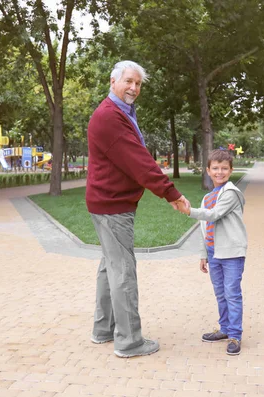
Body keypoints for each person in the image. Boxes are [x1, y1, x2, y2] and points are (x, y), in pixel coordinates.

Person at [86, 60, 190, 358]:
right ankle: (129, 341)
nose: (134, 88)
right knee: (123, 271)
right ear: (113, 81)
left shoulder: (120, 113)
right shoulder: (110, 116)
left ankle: (103, 329)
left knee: (110, 266)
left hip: (107, 201)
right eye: (129, 81)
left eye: (138, 84)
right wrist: (169, 192)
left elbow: (134, 158)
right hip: (112, 204)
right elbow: (138, 160)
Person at [177, 149, 247, 355]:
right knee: (220, 294)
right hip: (213, 252)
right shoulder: (207, 197)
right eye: (215, 168)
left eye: (224, 168)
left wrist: (188, 211)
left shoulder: (231, 193)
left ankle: (235, 335)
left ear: (231, 170)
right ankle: (224, 329)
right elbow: (203, 226)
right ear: (208, 170)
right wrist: (203, 254)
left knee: (232, 294)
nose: (219, 172)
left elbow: (214, 215)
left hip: (231, 252)